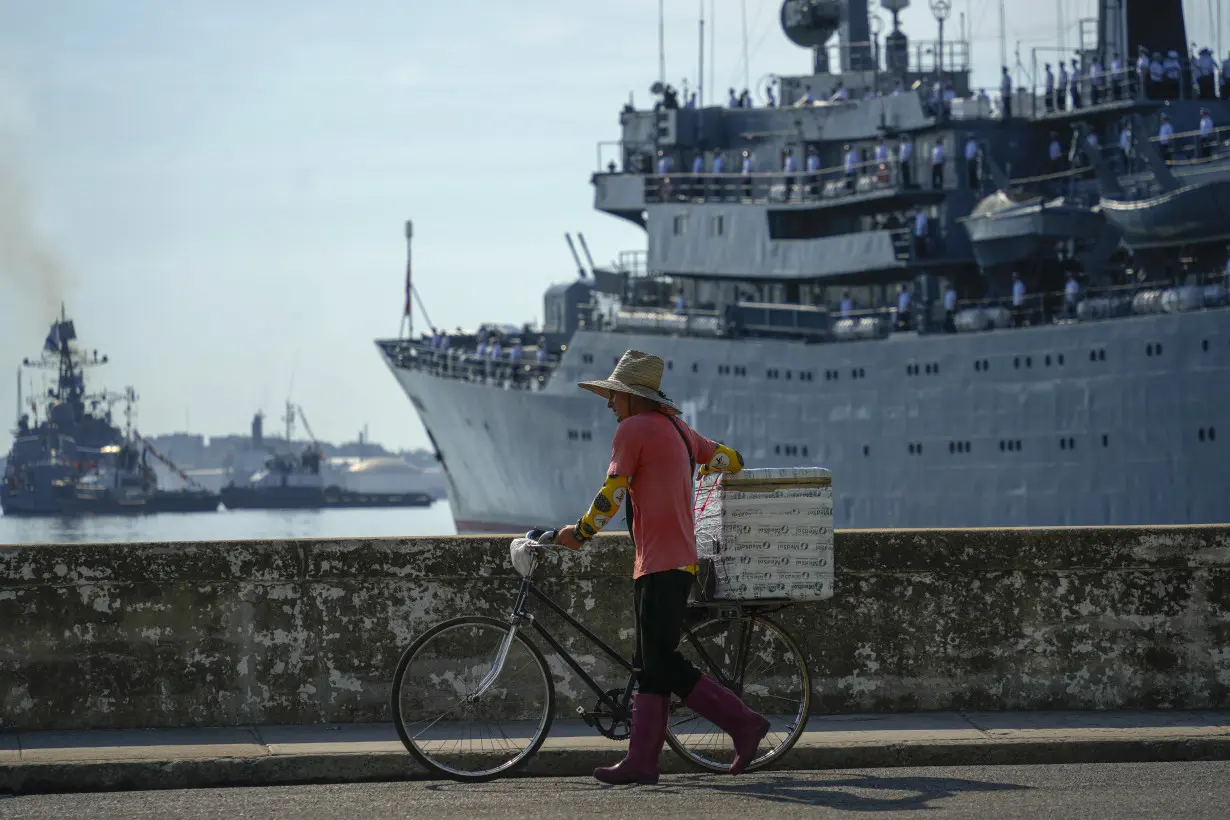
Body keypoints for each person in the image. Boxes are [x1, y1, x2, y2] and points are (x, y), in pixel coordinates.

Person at [553, 350, 765, 785]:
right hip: (676, 560)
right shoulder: (681, 431)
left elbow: (612, 492)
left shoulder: (633, 430)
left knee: (661, 661)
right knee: (647, 664)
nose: (610, 403)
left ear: (634, 399)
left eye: (615, 396)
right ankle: (642, 762)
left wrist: (580, 532)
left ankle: (743, 723)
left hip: (659, 563)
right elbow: (731, 459)